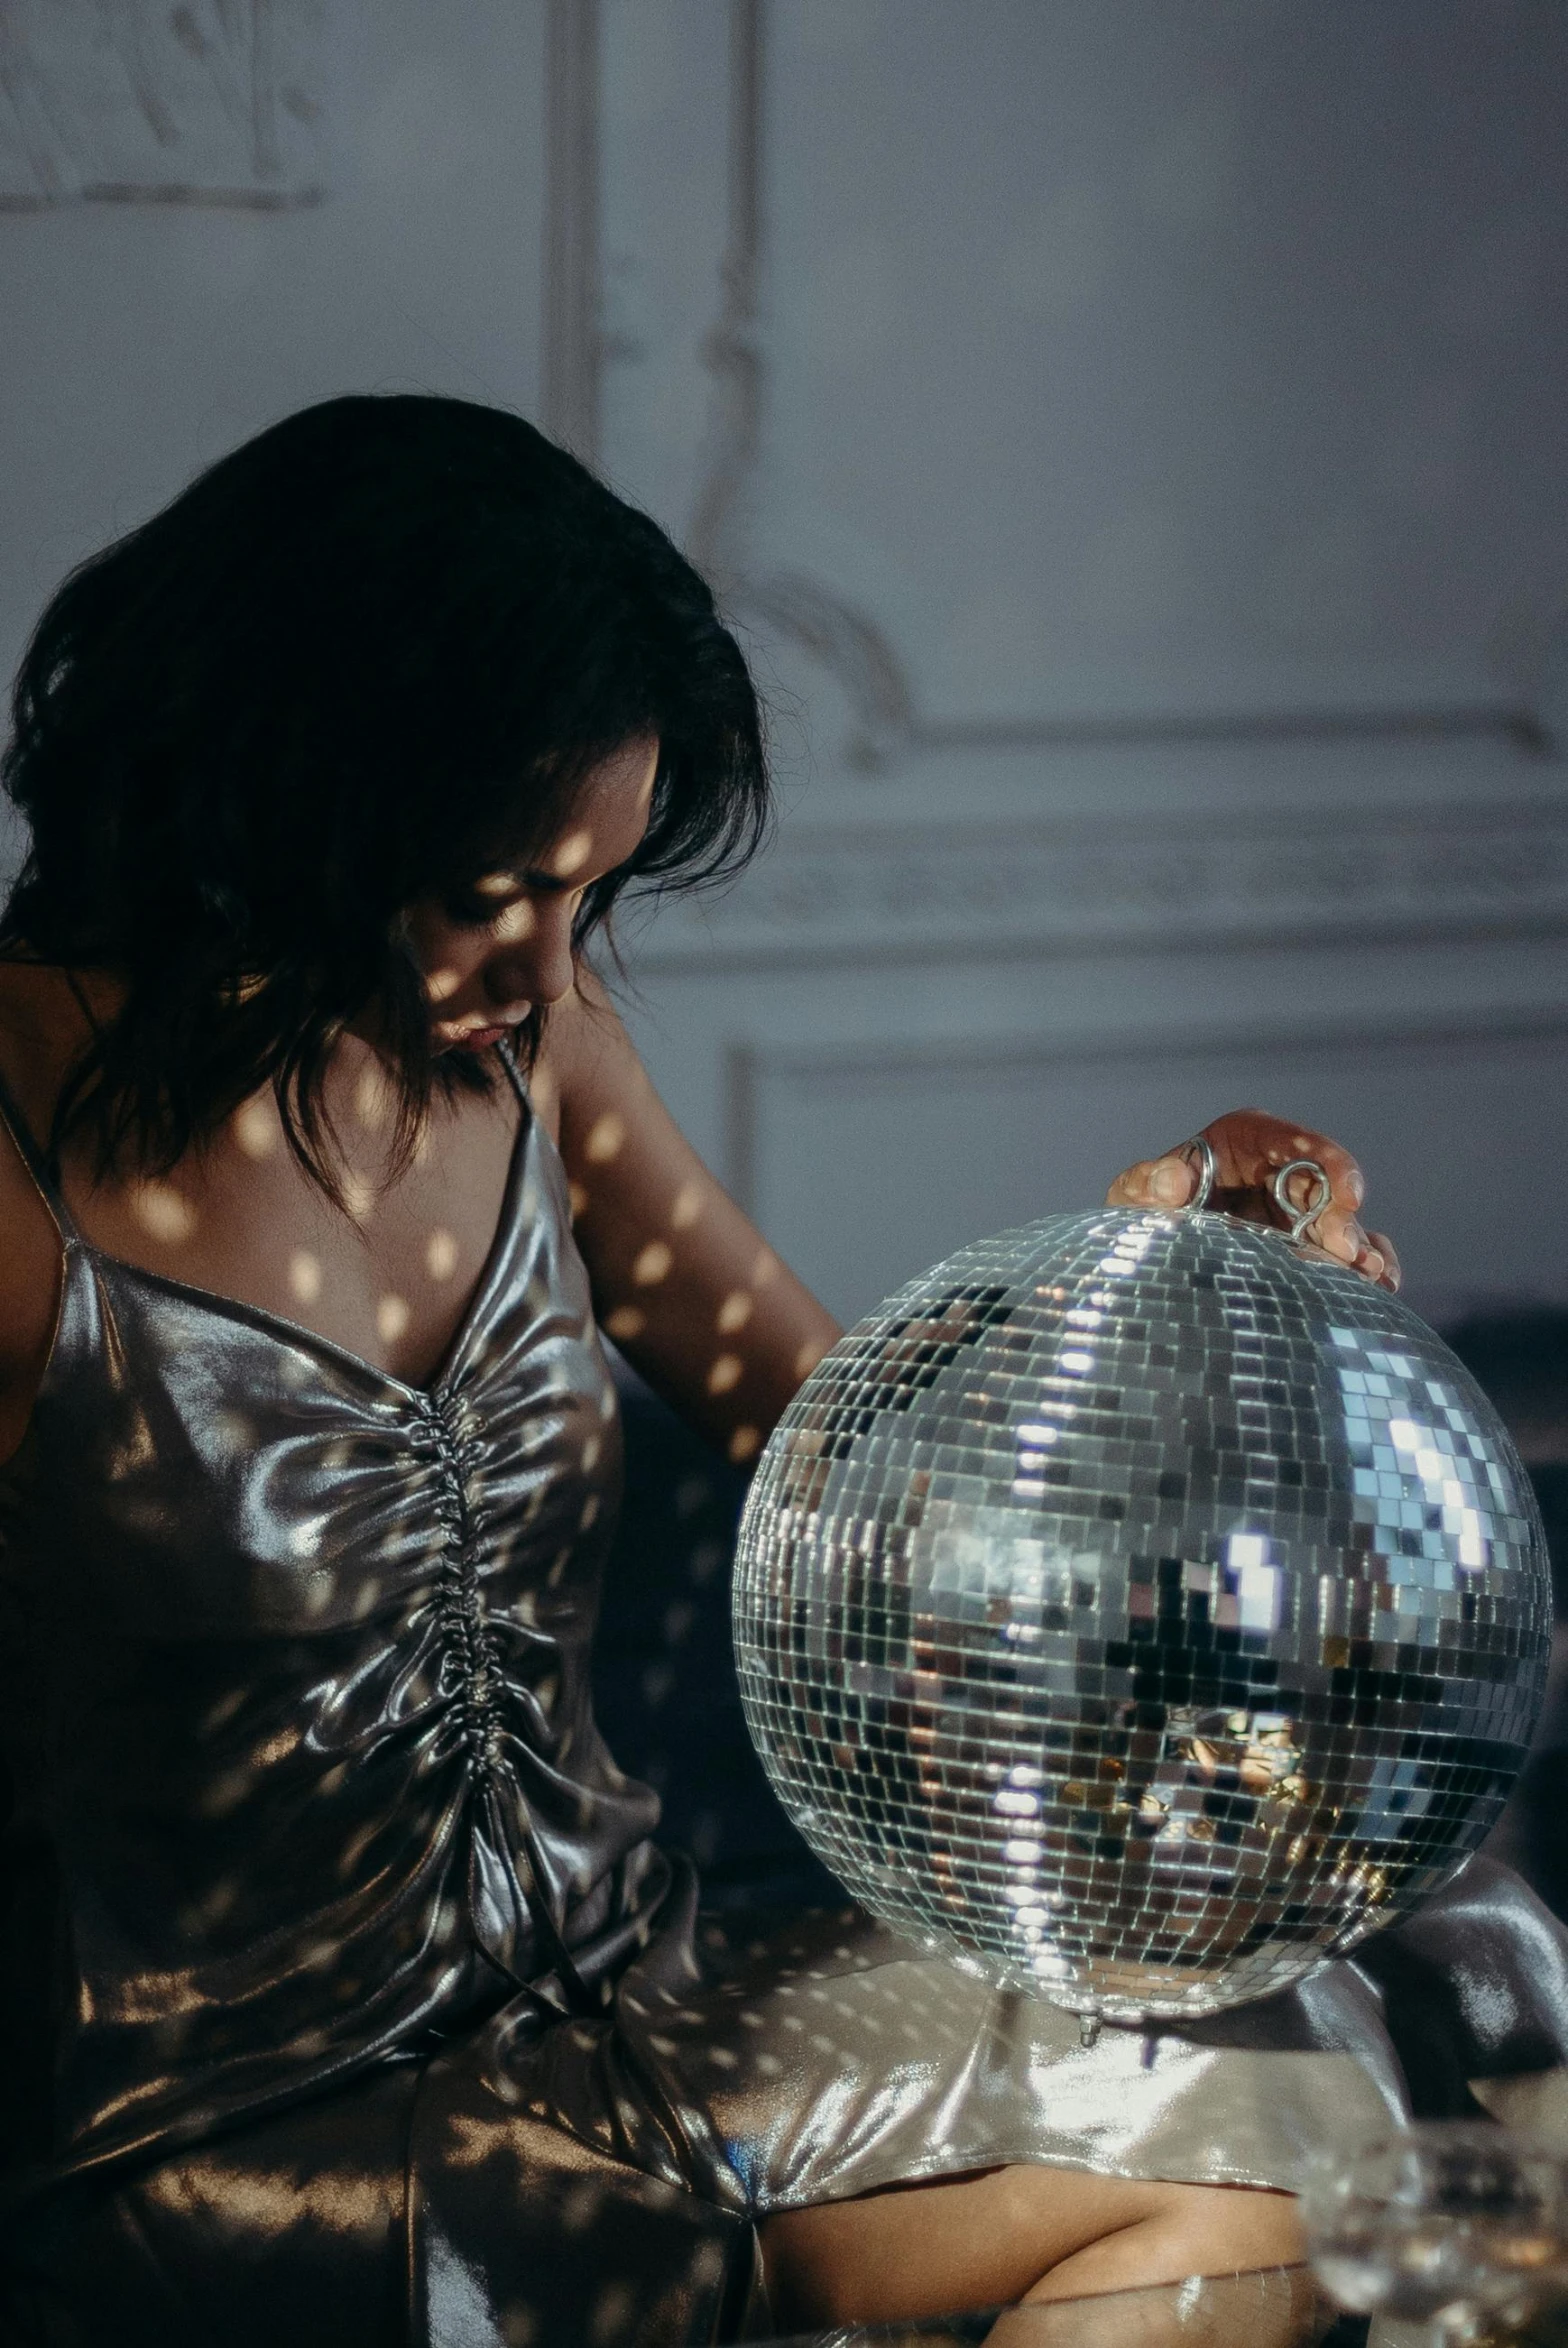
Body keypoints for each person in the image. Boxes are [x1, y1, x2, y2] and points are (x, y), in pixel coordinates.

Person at [0, 394, 1561, 2348]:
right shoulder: (17, 1170)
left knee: (1302, 2059)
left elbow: (870, 1469)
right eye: (500, 890)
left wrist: (1177, 1274)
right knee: (1267, 2149)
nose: (557, 975)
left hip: (628, 2015)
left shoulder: (532, 1074)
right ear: (293, 800)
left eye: (595, 896)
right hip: (250, 2156)